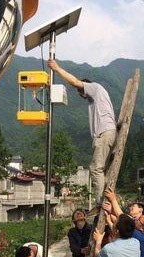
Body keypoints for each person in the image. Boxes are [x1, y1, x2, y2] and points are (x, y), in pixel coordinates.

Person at [48, 59, 116, 205]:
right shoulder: (96, 98)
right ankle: (105, 200)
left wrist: (57, 69)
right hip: (106, 133)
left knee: (95, 169)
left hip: (104, 133)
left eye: (81, 92)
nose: (81, 95)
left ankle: (101, 203)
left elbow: (74, 82)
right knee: (100, 170)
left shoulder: (95, 88)